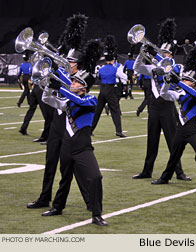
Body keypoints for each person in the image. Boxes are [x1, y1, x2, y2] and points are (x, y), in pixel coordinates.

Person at [26, 14, 91, 209]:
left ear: (77, 64)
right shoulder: (61, 73)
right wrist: (48, 75)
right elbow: (48, 95)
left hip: (72, 125)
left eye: (70, 62)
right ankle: (44, 197)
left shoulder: (82, 78)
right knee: (50, 161)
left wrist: (59, 77)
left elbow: (74, 95)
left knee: (75, 164)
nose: (67, 63)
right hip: (57, 123)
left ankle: (89, 201)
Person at [41, 69, 108, 226]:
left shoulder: (91, 99)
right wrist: (49, 86)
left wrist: (61, 87)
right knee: (65, 179)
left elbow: (81, 102)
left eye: (76, 82)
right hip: (67, 146)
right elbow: (46, 99)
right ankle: (57, 207)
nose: (73, 83)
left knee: (95, 177)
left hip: (83, 148)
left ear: (83, 88)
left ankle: (96, 214)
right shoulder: (67, 102)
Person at [132, 18, 191, 181]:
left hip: (168, 107)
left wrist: (162, 66)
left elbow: (174, 77)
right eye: (161, 53)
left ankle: (179, 172)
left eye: (165, 54)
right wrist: (142, 52)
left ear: (170, 55)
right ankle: (147, 171)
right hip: (154, 106)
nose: (162, 56)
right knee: (152, 141)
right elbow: (137, 68)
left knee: (173, 141)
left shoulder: (178, 68)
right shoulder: (153, 68)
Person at [151, 46, 196, 193]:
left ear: (193, 82)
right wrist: (167, 80)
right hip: (180, 130)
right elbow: (164, 94)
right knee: (174, 155)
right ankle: (165, 178)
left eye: (188, 80)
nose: (185, 81)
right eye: (184, 79)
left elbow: (195, 95)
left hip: (193, 130)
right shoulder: (179, 93)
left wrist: (178, 81)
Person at [92, 35, 127, 138]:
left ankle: (90, 130)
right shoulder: (116, 68)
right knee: (115, 110)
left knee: (97, 111)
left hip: (102, 90)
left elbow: (98, 77)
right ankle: (119, 131)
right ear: (113, 59)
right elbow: (123, 76)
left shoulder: (101, 68)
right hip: (111, 90)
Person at [18, 65, 54, 143]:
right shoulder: (47, 67)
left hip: (35, 88)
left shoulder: (38, 65)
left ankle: (23, 128)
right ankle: (47, 136)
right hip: (41, 89)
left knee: (31, 110)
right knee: (47, 114)